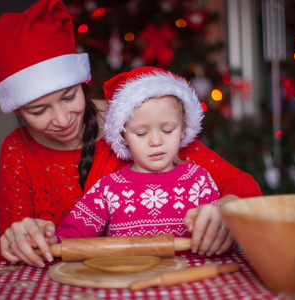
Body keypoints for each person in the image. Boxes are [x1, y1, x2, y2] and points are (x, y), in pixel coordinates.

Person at [0, 0, 262, 268]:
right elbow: (9, 260)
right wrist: (20, 240)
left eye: (69, 96)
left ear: (82, 83)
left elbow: (242, 185)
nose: (61, 119)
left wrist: (226, 209)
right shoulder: (17, 150)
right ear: (19, 111)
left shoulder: (137, 120)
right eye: (38, 111)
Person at [54, 67, 228, 256]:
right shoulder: (109, 189)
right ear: (123, 136)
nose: (156, 141)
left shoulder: (199, 181)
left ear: (183, 129)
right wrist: (47, 241)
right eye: (141, 133)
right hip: (128, 282)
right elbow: (70, 237)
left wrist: (221, 234)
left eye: (168, 130)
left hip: (188, 281)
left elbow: (224, 237)